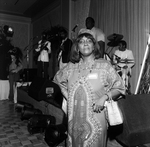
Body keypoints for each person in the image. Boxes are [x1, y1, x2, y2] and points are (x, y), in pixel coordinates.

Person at [53, 29, 125, 147]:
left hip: (96, 120)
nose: (85, 43)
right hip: (73, 121)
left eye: (89, 41)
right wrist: (67, 94)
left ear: (93, 46)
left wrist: (104, 98)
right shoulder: (71, 67)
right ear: (77, 47)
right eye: (81, 41)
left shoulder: (104, 66)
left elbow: (120, 87)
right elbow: (57, 80)